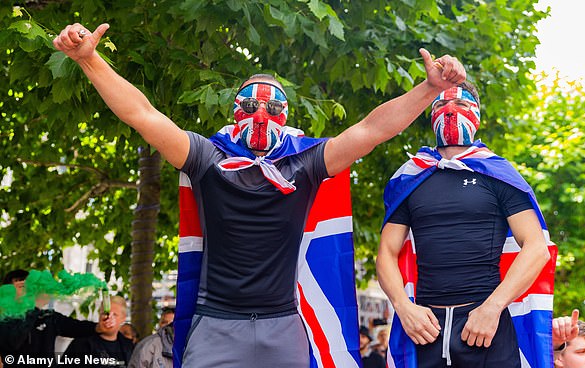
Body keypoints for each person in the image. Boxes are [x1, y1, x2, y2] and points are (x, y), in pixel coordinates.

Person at [53, 22, 465, 367]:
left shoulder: (302, 165)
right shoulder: (206, 158)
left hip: (283, 327)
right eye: (249, 103)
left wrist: (429, 91)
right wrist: (90, 60)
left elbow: (371, 130)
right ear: (234, 111)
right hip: (215, 326)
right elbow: (142, 114)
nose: (261, 114)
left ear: (287, 116)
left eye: (271, 105)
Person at [377, 81, 552, 367]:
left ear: (476, 114)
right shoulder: (410, 176)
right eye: (439, 104)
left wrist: (493, 308)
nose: (448, 110)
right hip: (424, 327)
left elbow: (536, 247)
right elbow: (386, 252)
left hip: (484, 326)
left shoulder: (497, 172)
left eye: (459, 104)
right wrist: (403, 306)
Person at [0, 269, 113, 365]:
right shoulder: (4, 319)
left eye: (27, 286)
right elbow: (13, 343)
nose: (26, 292)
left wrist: (99, 327)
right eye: (20, 287)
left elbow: (76, 327)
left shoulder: (47, 316)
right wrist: (33, 307)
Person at [63, 295, 134, 368]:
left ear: (123, 318)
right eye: (105, 313)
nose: (108, 318)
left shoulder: (129, 347)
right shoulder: (81, 345)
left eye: (114, 315)